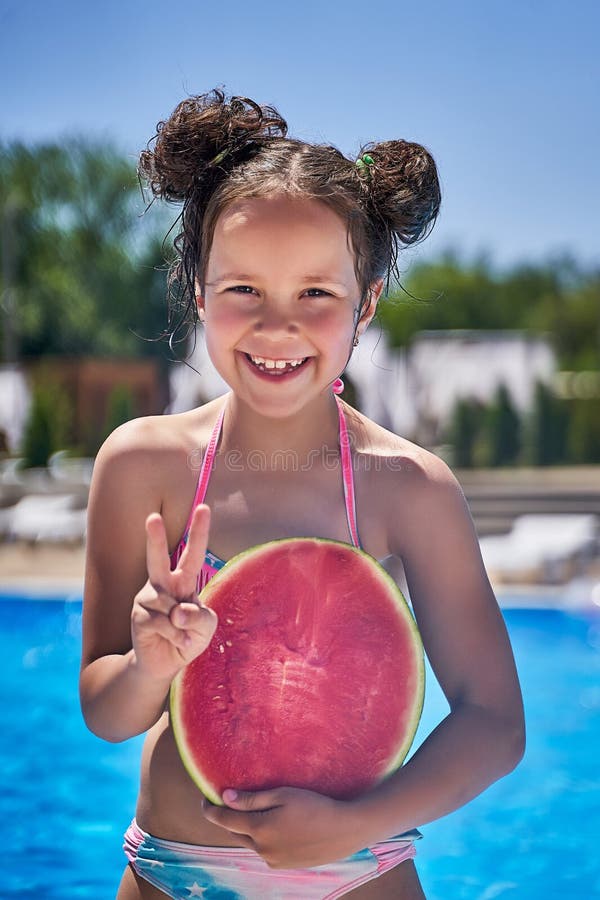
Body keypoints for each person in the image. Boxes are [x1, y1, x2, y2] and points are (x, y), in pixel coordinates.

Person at [79, 89, 525, 900]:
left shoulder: (409, 488)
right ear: (196, 291)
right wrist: (147, 664)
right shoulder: (140, 464)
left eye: (315, 294)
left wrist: (358, 824)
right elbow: (108, 713)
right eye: (244, 289)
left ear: (367, 304)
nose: (277, 327)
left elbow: (495, 722)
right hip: (172, 875)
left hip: (361, 872)